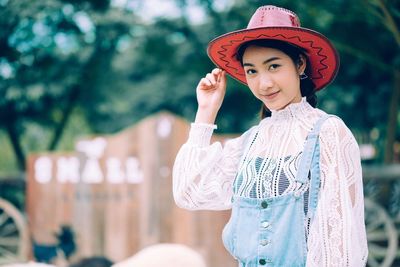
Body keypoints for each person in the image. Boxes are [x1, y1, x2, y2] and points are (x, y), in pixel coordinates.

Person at [172, 5, 368, 267]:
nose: (264, 83)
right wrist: (206, 111)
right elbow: (189, 193)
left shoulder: (328, 132)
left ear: (299, 64)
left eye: (273, 66)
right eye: (252, 71)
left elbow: (339, 246)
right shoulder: (250, 141)